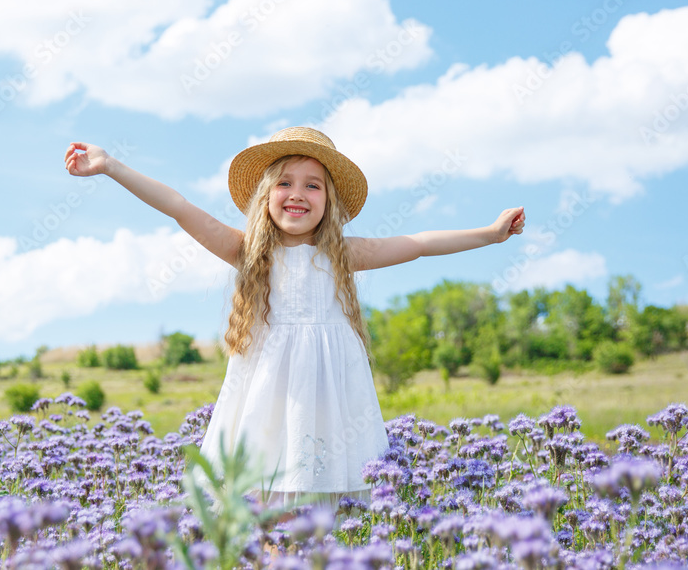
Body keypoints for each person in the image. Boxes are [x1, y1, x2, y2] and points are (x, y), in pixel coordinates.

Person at [64, 126, 525, 510]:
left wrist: (489, 234)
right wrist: (109, 166)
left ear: (329, 201)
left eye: (312, 184)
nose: (297, 194)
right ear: (266, 195)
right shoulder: (247, 251)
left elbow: (420, 243)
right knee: (268, 504)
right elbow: (179, 206)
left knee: (327, 507)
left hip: (330, 398)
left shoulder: (342, 253)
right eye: (285, 182)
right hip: (267, 397)